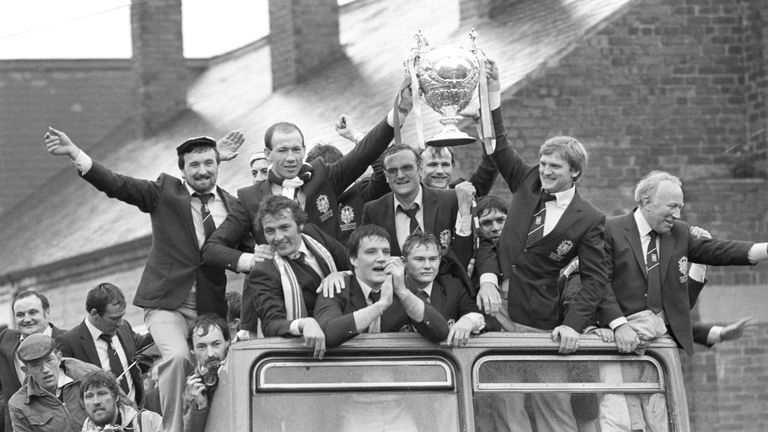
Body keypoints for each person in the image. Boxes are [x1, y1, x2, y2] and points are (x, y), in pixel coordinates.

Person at [44, 128, 246, 432]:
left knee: (219, 366)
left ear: (219, 165)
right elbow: (118, 184)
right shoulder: (165, 193)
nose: (202, 170)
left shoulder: (232, 205)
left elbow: (253, 241)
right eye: (194, 165)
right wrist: (77, 154)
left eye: (209, 163)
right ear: (182, 171)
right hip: (166, 304)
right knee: (178, 358)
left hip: (208, 305)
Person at [201, 84, 412, 275]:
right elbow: (212, 249)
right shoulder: (249, 198)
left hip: (337, 282)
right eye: (282, 150)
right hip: (286, 292)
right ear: (268, 155)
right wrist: (250, 260)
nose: (291, 157)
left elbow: (365, 152)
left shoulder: (322, 176)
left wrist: (400, 110)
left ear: (303, 150)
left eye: (295, 149)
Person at [475, 61, 607, 352]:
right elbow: (497, 144)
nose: (545, 171)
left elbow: (595, 279)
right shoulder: (528, 180)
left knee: (545, 396)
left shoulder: (590, 218)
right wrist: (492, 92)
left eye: (554, 167)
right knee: (501, 392)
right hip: (492, 302)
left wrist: (573, 324)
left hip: (536, 315)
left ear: (574, 172)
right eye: (543, 163)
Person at [597, 170, 768, 356]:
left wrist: (764, 250)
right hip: (611, 341)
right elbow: (597, 283)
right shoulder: (609, 230)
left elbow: (717, 250)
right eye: (672, 206)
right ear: (646, 202)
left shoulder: (679, 232)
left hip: (657, 348)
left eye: (680, 207)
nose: (677, 214)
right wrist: (619, 325)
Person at [242, 196, 348, 357]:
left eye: (284, 227)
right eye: (270, 231)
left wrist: (340, 275)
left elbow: (354, 265)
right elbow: (271, 325)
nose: (278, 238)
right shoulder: (264, 271)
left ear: (300, 225)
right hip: (306, 350)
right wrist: (303, 324)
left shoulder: (315, 234)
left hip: (346, 334)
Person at [313, 225, 449, 348]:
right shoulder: (336, 286)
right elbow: (327, 333)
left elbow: (440, 331)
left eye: (386, 252)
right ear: (353, 259)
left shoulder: (404, 286)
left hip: (392, 371)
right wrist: (380, 306)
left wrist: (402, 292)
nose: (381, 258)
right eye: (371, 252)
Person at [361, 144, 470, 257]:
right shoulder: (373, 211)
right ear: (386, 176)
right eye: (392, 171)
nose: (400, 175)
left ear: (420, 169)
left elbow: (464, 250)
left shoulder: (450, 200)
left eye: (407, 168)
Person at [57, 283, 153, 407]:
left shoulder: (125, 328)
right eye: (114, 319)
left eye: (122, 316)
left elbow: (147, 344)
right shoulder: (69, 342)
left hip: (136, 414)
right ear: (94, 313)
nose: (120, 323)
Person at [401, 232, 485, 346]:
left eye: (433, 259)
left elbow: (478, 316)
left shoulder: (453, 287)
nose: (427, 265)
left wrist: (469, 320)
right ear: (404, 262)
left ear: (440, 260)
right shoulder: (392, 290)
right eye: (419, 259)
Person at [0, 290, 67, 432]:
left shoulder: (68, 340)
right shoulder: (5, 341)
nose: (26, 319)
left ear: (47, 312)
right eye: (20, 315)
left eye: (33, 312)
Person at [8, 334, 101, 432]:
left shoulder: (91, 376)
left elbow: (116, 410)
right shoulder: (19, 404)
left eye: (49, 360)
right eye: (36, 365)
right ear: (26, 370)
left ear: (59, 357)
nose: (45, 369)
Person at [182, 315, 231, 432]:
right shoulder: (193, 386)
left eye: (216, 344)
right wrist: (200, 406)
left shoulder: (243, 369)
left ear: (228, 342)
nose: (210, 353)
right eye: (201, 347)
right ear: (192, 349)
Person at [80, 370, 163, 432]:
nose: (96, 401)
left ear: (116, 397)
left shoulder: (149, 422)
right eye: (89, 396)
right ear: (83, 403)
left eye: (102, 393)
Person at [419, 146, 498, 196]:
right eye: (433, 165)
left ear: (452, 167)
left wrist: (485, 125)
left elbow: (491, 163)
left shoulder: (466, 192)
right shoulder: (412, 197)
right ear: (419, 169)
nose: (440, 171)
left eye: (445, 165)